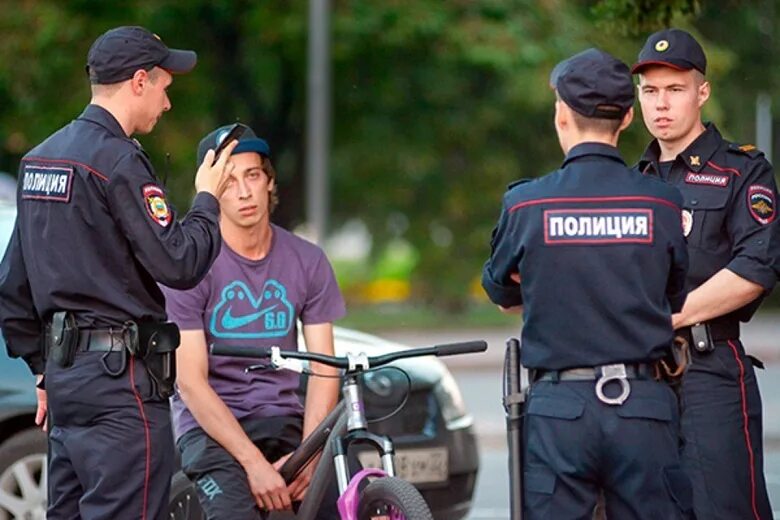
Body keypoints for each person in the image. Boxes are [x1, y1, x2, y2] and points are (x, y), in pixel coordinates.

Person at [0, 26, 236, 519]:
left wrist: (42, 369)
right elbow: (179, 262)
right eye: (164, 87)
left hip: (66, 381)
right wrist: (207, 199)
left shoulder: (40, 160)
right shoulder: (118, 161)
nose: (167, 103)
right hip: (120, 387)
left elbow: (13, 285)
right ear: (139, 81)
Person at [482, 48, 692, 519]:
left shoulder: (526, 205)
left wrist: (547, 275)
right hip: (644, 408)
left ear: (562, 115)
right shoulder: (662, 204)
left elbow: (500, 294)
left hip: (559, 411)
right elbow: (673, 296)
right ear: (628, 118)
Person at [161, 123, 345, 519]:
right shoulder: (188, 266)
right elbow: (190, 383)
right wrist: (254, 465)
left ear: (269, 181)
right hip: (211, 429)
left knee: (347, 500)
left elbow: (324, 368)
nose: (244, 192)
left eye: (253, 176)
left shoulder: (307, 260)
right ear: (211, 191)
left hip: (284, 420)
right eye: (228, 182)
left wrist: (311, 455)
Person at [632, 28, 779, 519]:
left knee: (724, 509)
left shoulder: (743, 171)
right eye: (650, 91)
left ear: (702, 92)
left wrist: (667, 318)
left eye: (675, 89)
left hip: (709, 371)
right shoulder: (630, 183)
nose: (661, 104)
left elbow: (756, 266)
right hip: (638, 376)